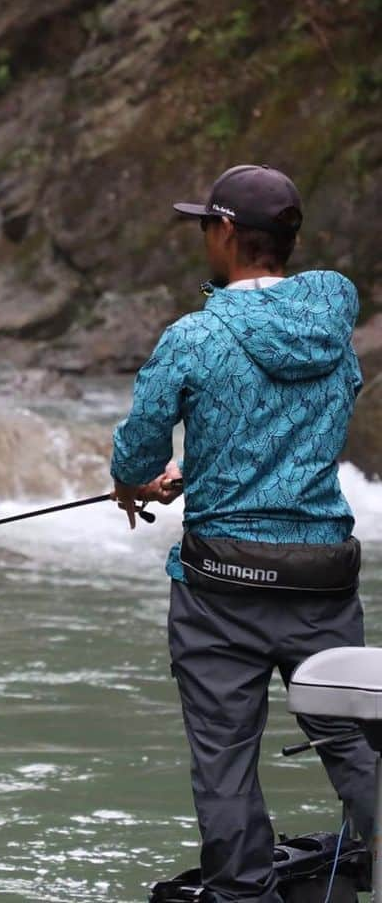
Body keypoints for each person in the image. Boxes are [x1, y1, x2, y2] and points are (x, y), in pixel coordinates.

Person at [109, 164, 375, 902]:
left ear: (225, 231)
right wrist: (204, 467)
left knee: (224, 756)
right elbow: (278, 423)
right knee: (355, 737)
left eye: (206, 224)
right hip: (322, 574)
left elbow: (133, 453)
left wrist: (139, 482)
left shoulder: (195, 338)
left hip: (221, 588)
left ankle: (242, 892)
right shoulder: (329, 316)